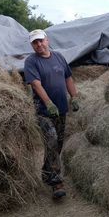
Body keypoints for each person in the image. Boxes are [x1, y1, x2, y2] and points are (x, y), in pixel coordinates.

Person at [24, 29, 79, 199]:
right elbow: (35, 83)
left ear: (47, 40)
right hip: (43, 111)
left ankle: (47, 173)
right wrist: (48, 103)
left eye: (41, 40)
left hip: (61, 109)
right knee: (52, 139)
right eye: (35, 42)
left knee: (57, 145)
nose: (39, 44)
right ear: (32, 45)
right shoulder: (31, 61)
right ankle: (56, 183)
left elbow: (68, 78)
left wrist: (74, 97)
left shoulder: (59, 57)